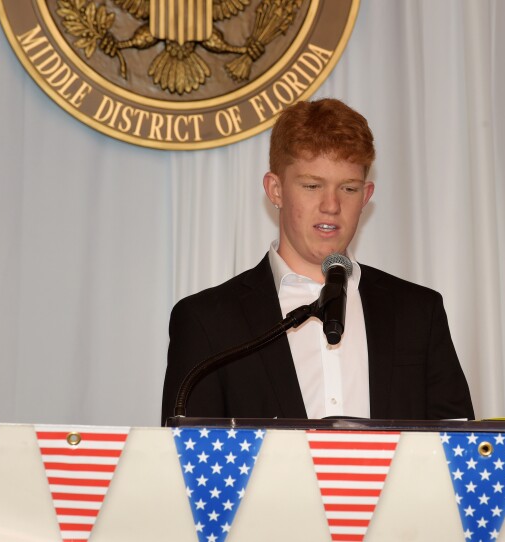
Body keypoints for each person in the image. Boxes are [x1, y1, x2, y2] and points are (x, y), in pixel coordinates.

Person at [161, 98, 474, 424]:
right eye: (312, 185)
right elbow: (187, 461)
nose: (331, 205)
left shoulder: (418, 312)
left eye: (349, 188)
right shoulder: (207, 321)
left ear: (366, 196)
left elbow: (458, 453)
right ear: (276, 189)